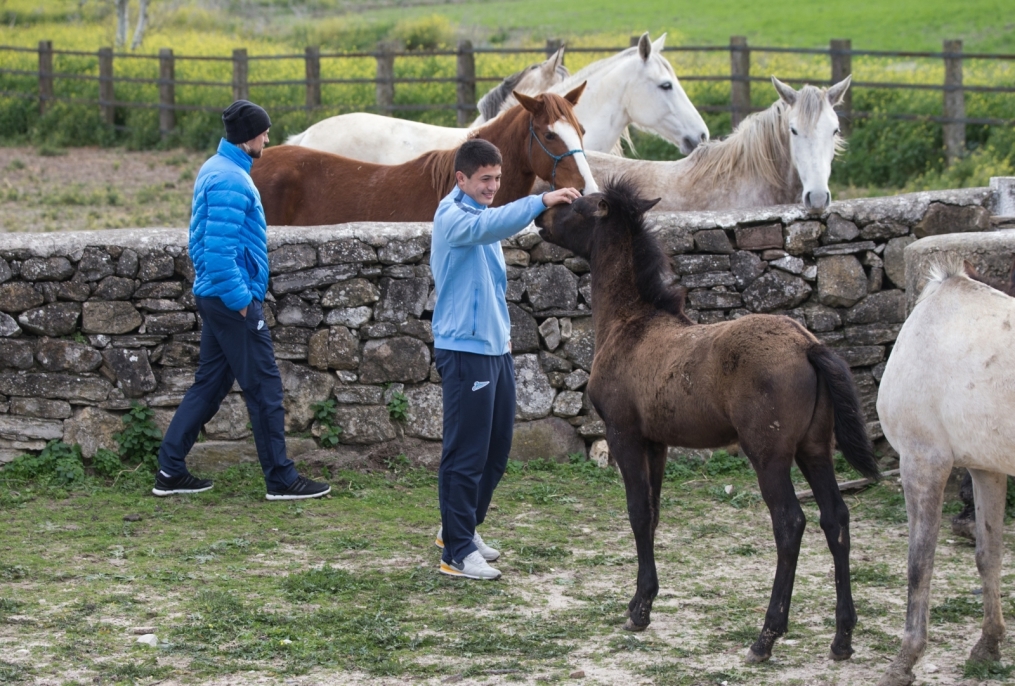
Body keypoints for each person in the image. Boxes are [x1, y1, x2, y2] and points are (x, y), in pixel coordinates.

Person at [152, 99, 330, 502]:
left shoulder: (218, 168)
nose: (268, 137)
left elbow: (206, 245)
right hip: (230, 300)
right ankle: (281, 479)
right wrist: (243, 300)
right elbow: (216, 251)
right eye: (264, 131)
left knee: (210, 385)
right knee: (264, 386)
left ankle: (170, 469)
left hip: (214, 296)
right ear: (249, 135)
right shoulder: (230, 179)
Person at [430, 139, 581, 580]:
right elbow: (496, 224)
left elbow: (490, 286)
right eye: (485, 179)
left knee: (495, 451)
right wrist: (541, 200)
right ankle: (456, 553)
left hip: (493, 349)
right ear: (462, 179)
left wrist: (505, 337)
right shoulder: (454, 217)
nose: (493, 187)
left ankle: (459, 528)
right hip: (464, 351)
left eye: (497, 178)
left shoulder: (478, 215)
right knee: (465, 453)